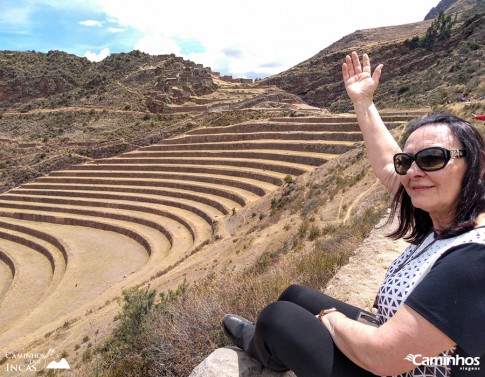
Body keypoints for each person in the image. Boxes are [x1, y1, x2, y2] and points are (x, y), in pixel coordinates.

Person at [221, 52, 485, 377]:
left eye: (432, 158)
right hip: (409, 354)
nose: (414, 171)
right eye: (409, 161)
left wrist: (332, 321)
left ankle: (265, 350)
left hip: (400, 367)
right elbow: (390, 164)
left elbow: (384, 357)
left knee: (280, 318)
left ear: (477, 164)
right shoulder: (448, 215)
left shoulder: (474, 260)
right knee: (295, 295)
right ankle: (272, 349)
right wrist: (363, 102)